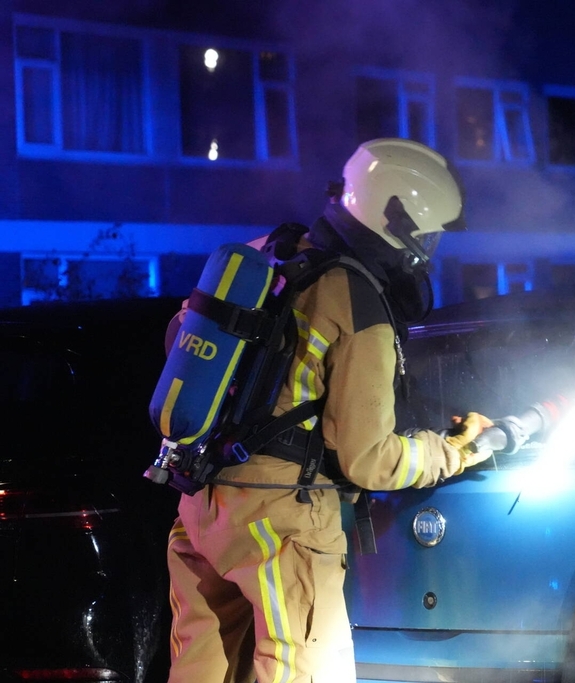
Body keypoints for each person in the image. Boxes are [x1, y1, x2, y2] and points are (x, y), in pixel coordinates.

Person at [164, 138, 493, 682]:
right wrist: (456, 449)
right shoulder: (358, 300)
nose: (429, 250)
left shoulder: (269, 253)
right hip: (280, 527)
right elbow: (371, 460)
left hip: (201, 508)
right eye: (429, 234)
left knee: (203, 673)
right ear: (398, 220)